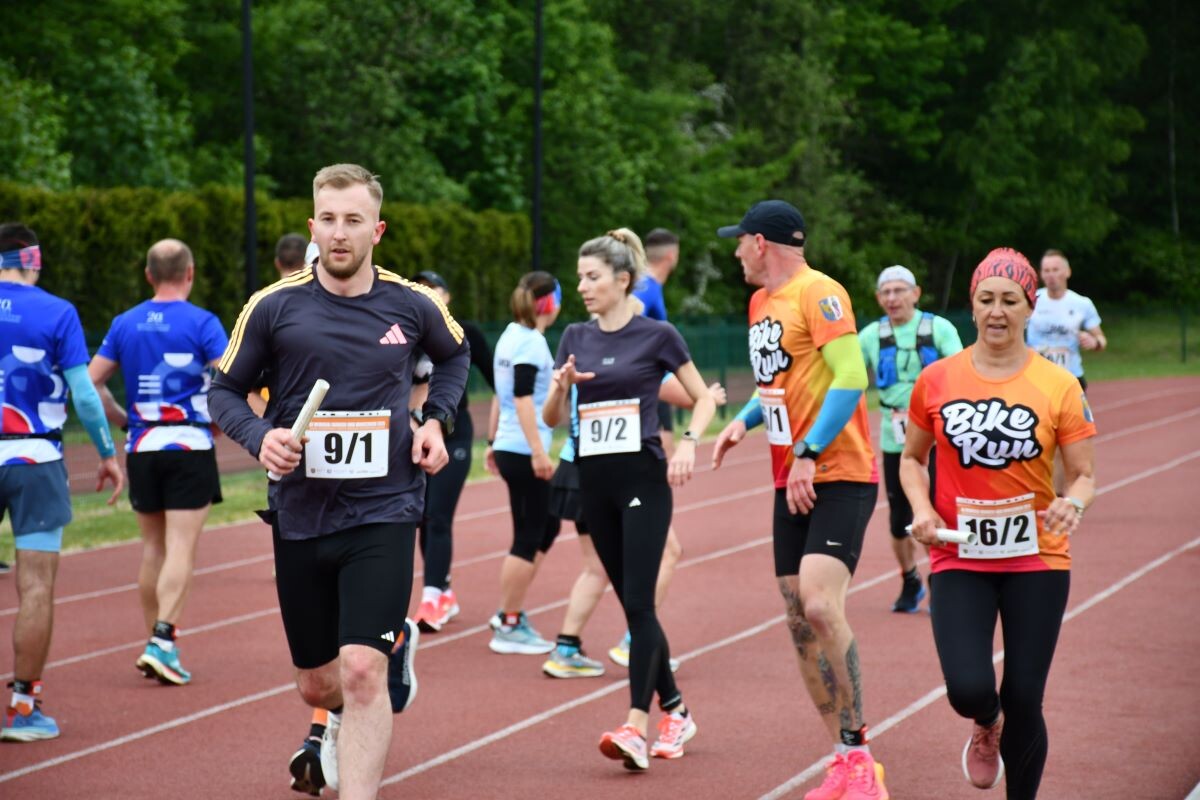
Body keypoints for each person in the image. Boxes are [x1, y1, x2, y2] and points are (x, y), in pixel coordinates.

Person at [209, 164, 469, 800]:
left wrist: (436, 420)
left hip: (385, 509)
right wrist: (261, 437)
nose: (339, 233)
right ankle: (376, 674)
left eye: (353, 221)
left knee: (359, 671)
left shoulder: (412, 304)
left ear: (377, 230)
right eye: (328, 219)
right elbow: (223, 390)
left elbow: (456, 354)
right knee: (318, 684)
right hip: (301, 513)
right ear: (312, 227)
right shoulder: (273, 307)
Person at [900, 248, 1096, 799]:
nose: (997, 311)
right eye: (986, 299)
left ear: (1030, 308)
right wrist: (922, 508)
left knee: (1026, 695)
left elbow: (1084, 476)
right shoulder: (937, 380)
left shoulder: (1059, 385)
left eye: (1010, 301)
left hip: (1037, 556)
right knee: (967, 687)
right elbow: (911, 459)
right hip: (959, 553)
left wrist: (1073, 504)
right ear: (972, 305)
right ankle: (987, 721)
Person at [711, 201, 889, 800]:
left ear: (760, 243)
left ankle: (861, 751)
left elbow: (851, 377)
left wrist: (810, 450)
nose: (736, 252)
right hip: (789, 478)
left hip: (838, 472)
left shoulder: (821, 293)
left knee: (818, 604)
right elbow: (777, 384)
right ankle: (843, 757)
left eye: (739, 241)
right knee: (796, 619)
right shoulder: (760, 304)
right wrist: (742, 422)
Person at [544, 228, 715, 769]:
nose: (581, 286)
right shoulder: (574, 335)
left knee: (639, 605)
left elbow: (703, 398)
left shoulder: (657, 335)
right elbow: (552, 418)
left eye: (592, 277)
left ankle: (636, 726)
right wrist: (562, 387)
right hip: (594, 484)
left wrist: (689, 444)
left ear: (622, 280)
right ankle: (678, 710)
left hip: (643, 480)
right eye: (579, 277)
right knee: (633, 605)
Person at [0, 222, 123, 741]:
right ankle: (24, 708)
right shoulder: (57, 312)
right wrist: (107, 453)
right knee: (35, 586)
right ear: (33, 260)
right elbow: (85, 396)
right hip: (36, 458)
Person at [87, 239, 228, 686]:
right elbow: (230, 377)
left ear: (148, 275)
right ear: (190, 273)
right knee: (181, 548)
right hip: (188, 445)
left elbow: (91, 383)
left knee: (152, 548)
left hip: (142, 446)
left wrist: (123, 420)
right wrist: (218, 419)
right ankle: (162, 641)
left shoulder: (124, 323)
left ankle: (157, 641)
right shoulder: (203, 322)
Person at [858, 265, 962, 613]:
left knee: (937, 510)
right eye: (886, 292)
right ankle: (909, 578)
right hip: (894, 440)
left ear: (915, 294)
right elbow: (847, 377)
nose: (892, 298)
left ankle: (940, 578)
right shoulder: (870, 336)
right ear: (878, 298)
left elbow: (960, 371)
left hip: (936, 439)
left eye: (899, 290)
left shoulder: (938, 328)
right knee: (897, 518)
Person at [607, 228, 686, 668]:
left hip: (636, 422)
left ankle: (571, 642)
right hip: (635, 425)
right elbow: (634, 351)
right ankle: (635, 638)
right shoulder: (647, 290)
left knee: (613, 556)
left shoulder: (588, 333)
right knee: (663, 549)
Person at [410, 270, 494, 633]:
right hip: (414, 435)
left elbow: (498, 380)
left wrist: (498, 437)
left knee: (438, 515)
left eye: (434, 289)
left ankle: (431, 598)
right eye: (421, 290)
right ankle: (442, 590)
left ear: (447, 296)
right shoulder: (404, 335)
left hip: (454, 435)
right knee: (421, 517)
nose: (428, 295)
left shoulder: (465, 332)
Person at [483, 271, 561, 655]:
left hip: (510, 444)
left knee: (546, 526)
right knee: (529, 535)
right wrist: (538, 451)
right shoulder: (531, 342)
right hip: (523, 449)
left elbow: (501, 394)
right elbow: (522, 397)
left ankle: (509, 612)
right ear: (550, 303)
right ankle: (509, 622)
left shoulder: (511, 335)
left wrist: (491, 440)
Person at [1026, 250, 1106, 391]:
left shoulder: (1082, 303)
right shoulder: (1030, 301)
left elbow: (1101, 339)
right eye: (1046, 270)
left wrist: (1094, 342)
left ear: (1068, 272)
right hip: (1036, 376)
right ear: (1041, 274)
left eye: (1055, 270)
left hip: (1071, 377)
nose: (1051, 275)